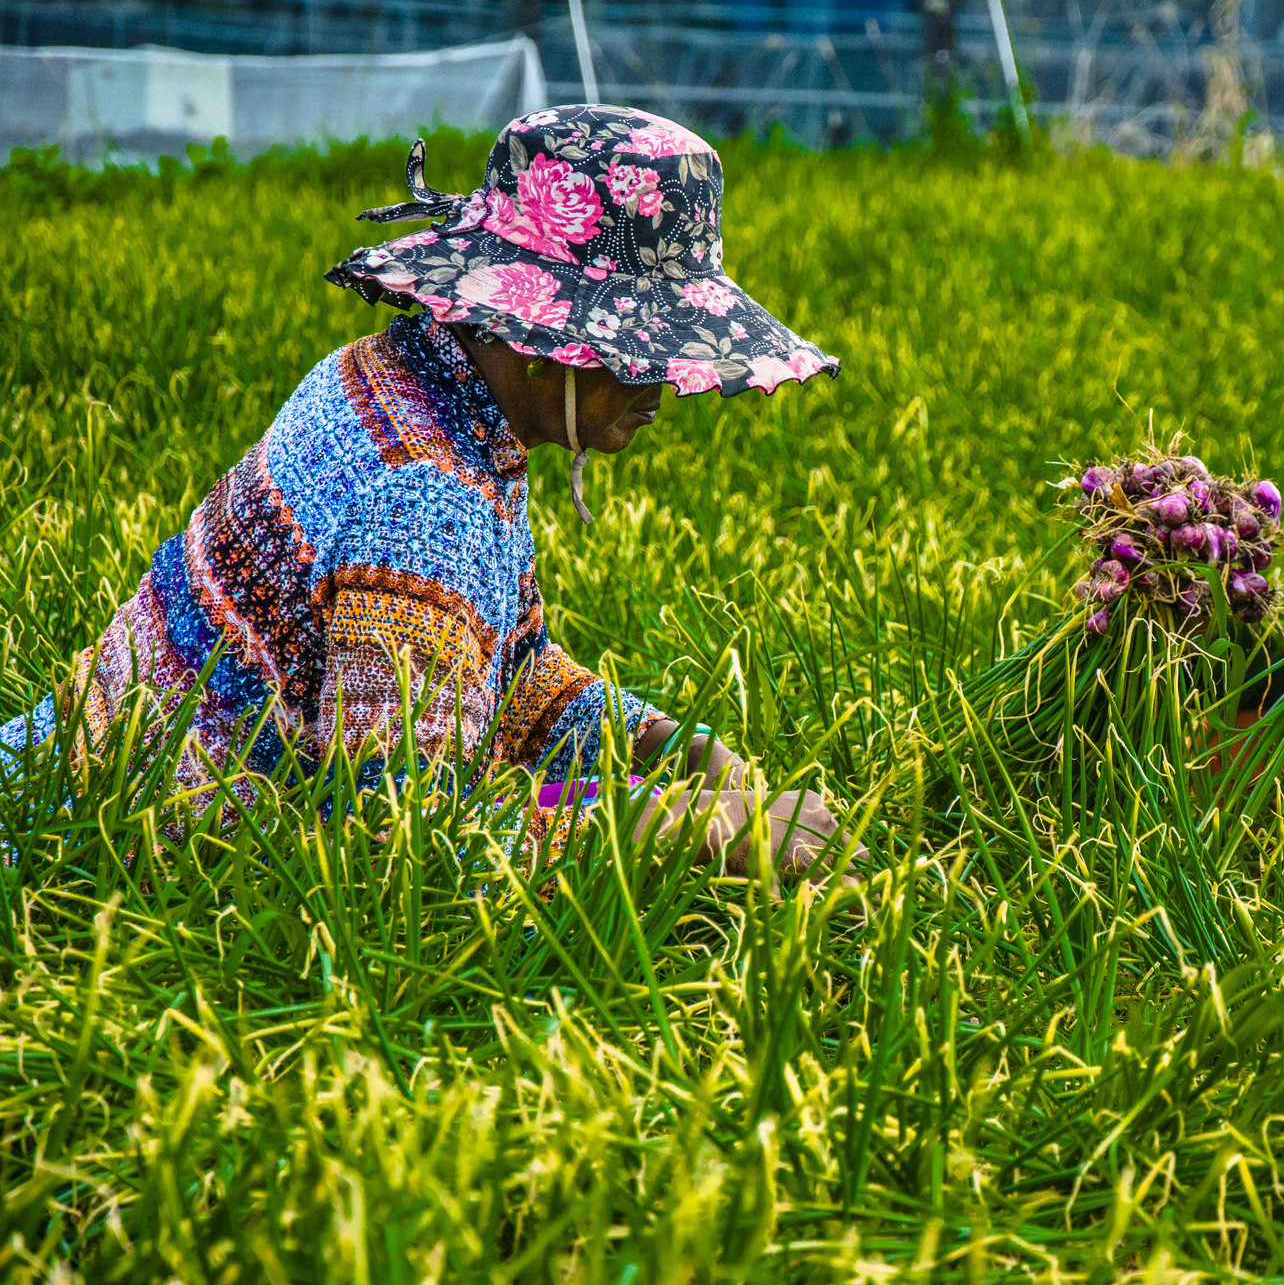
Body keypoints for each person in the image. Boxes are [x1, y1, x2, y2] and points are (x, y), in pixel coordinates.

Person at [0, 105, 858, 877]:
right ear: (533, 334)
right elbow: (398, 833)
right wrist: (689, 826)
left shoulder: (407, 382)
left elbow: (501, 665)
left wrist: (666, 744)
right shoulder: (428, 500)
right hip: (95, 849)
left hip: (61, 770)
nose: (662, 387)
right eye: (639, 352)